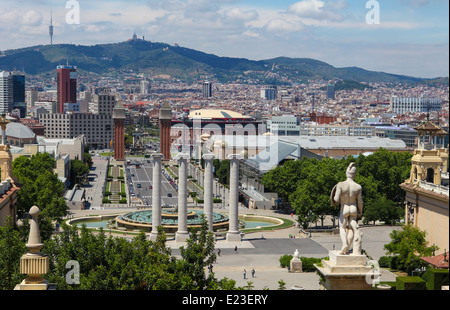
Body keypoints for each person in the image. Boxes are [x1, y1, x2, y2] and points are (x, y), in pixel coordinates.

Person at [331, 162, 363, 255]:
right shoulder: (358, 186)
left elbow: (336, 199)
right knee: (351, 228)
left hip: (344, 207)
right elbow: (360, 201)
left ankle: (344, 244)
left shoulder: (341, 185)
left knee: (342, 227)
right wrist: (360, 211)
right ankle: (348, 247)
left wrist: (335, 199)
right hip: (353, 207)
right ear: (355, 174)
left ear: (346, 173)